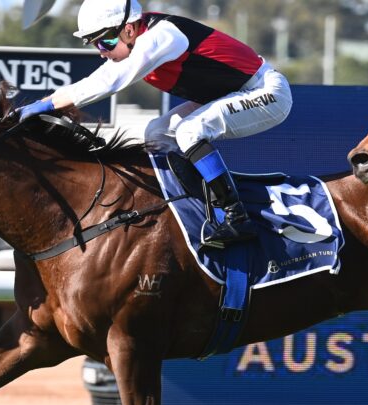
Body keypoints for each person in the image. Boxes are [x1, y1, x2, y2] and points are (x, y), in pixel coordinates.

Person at [18, 0, 293, 248]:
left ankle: (237, 217)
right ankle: (193, 207)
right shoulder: (136, 38)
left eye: (105, 43)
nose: (102, 52)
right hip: (229, 94)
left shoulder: (162, 36)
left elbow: (109, 82)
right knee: (156, 133)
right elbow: (99, 77)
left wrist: (48, 104)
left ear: (129, 30)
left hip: (265, 92)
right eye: (96, 45)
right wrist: (46, 102)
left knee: (189, 131)